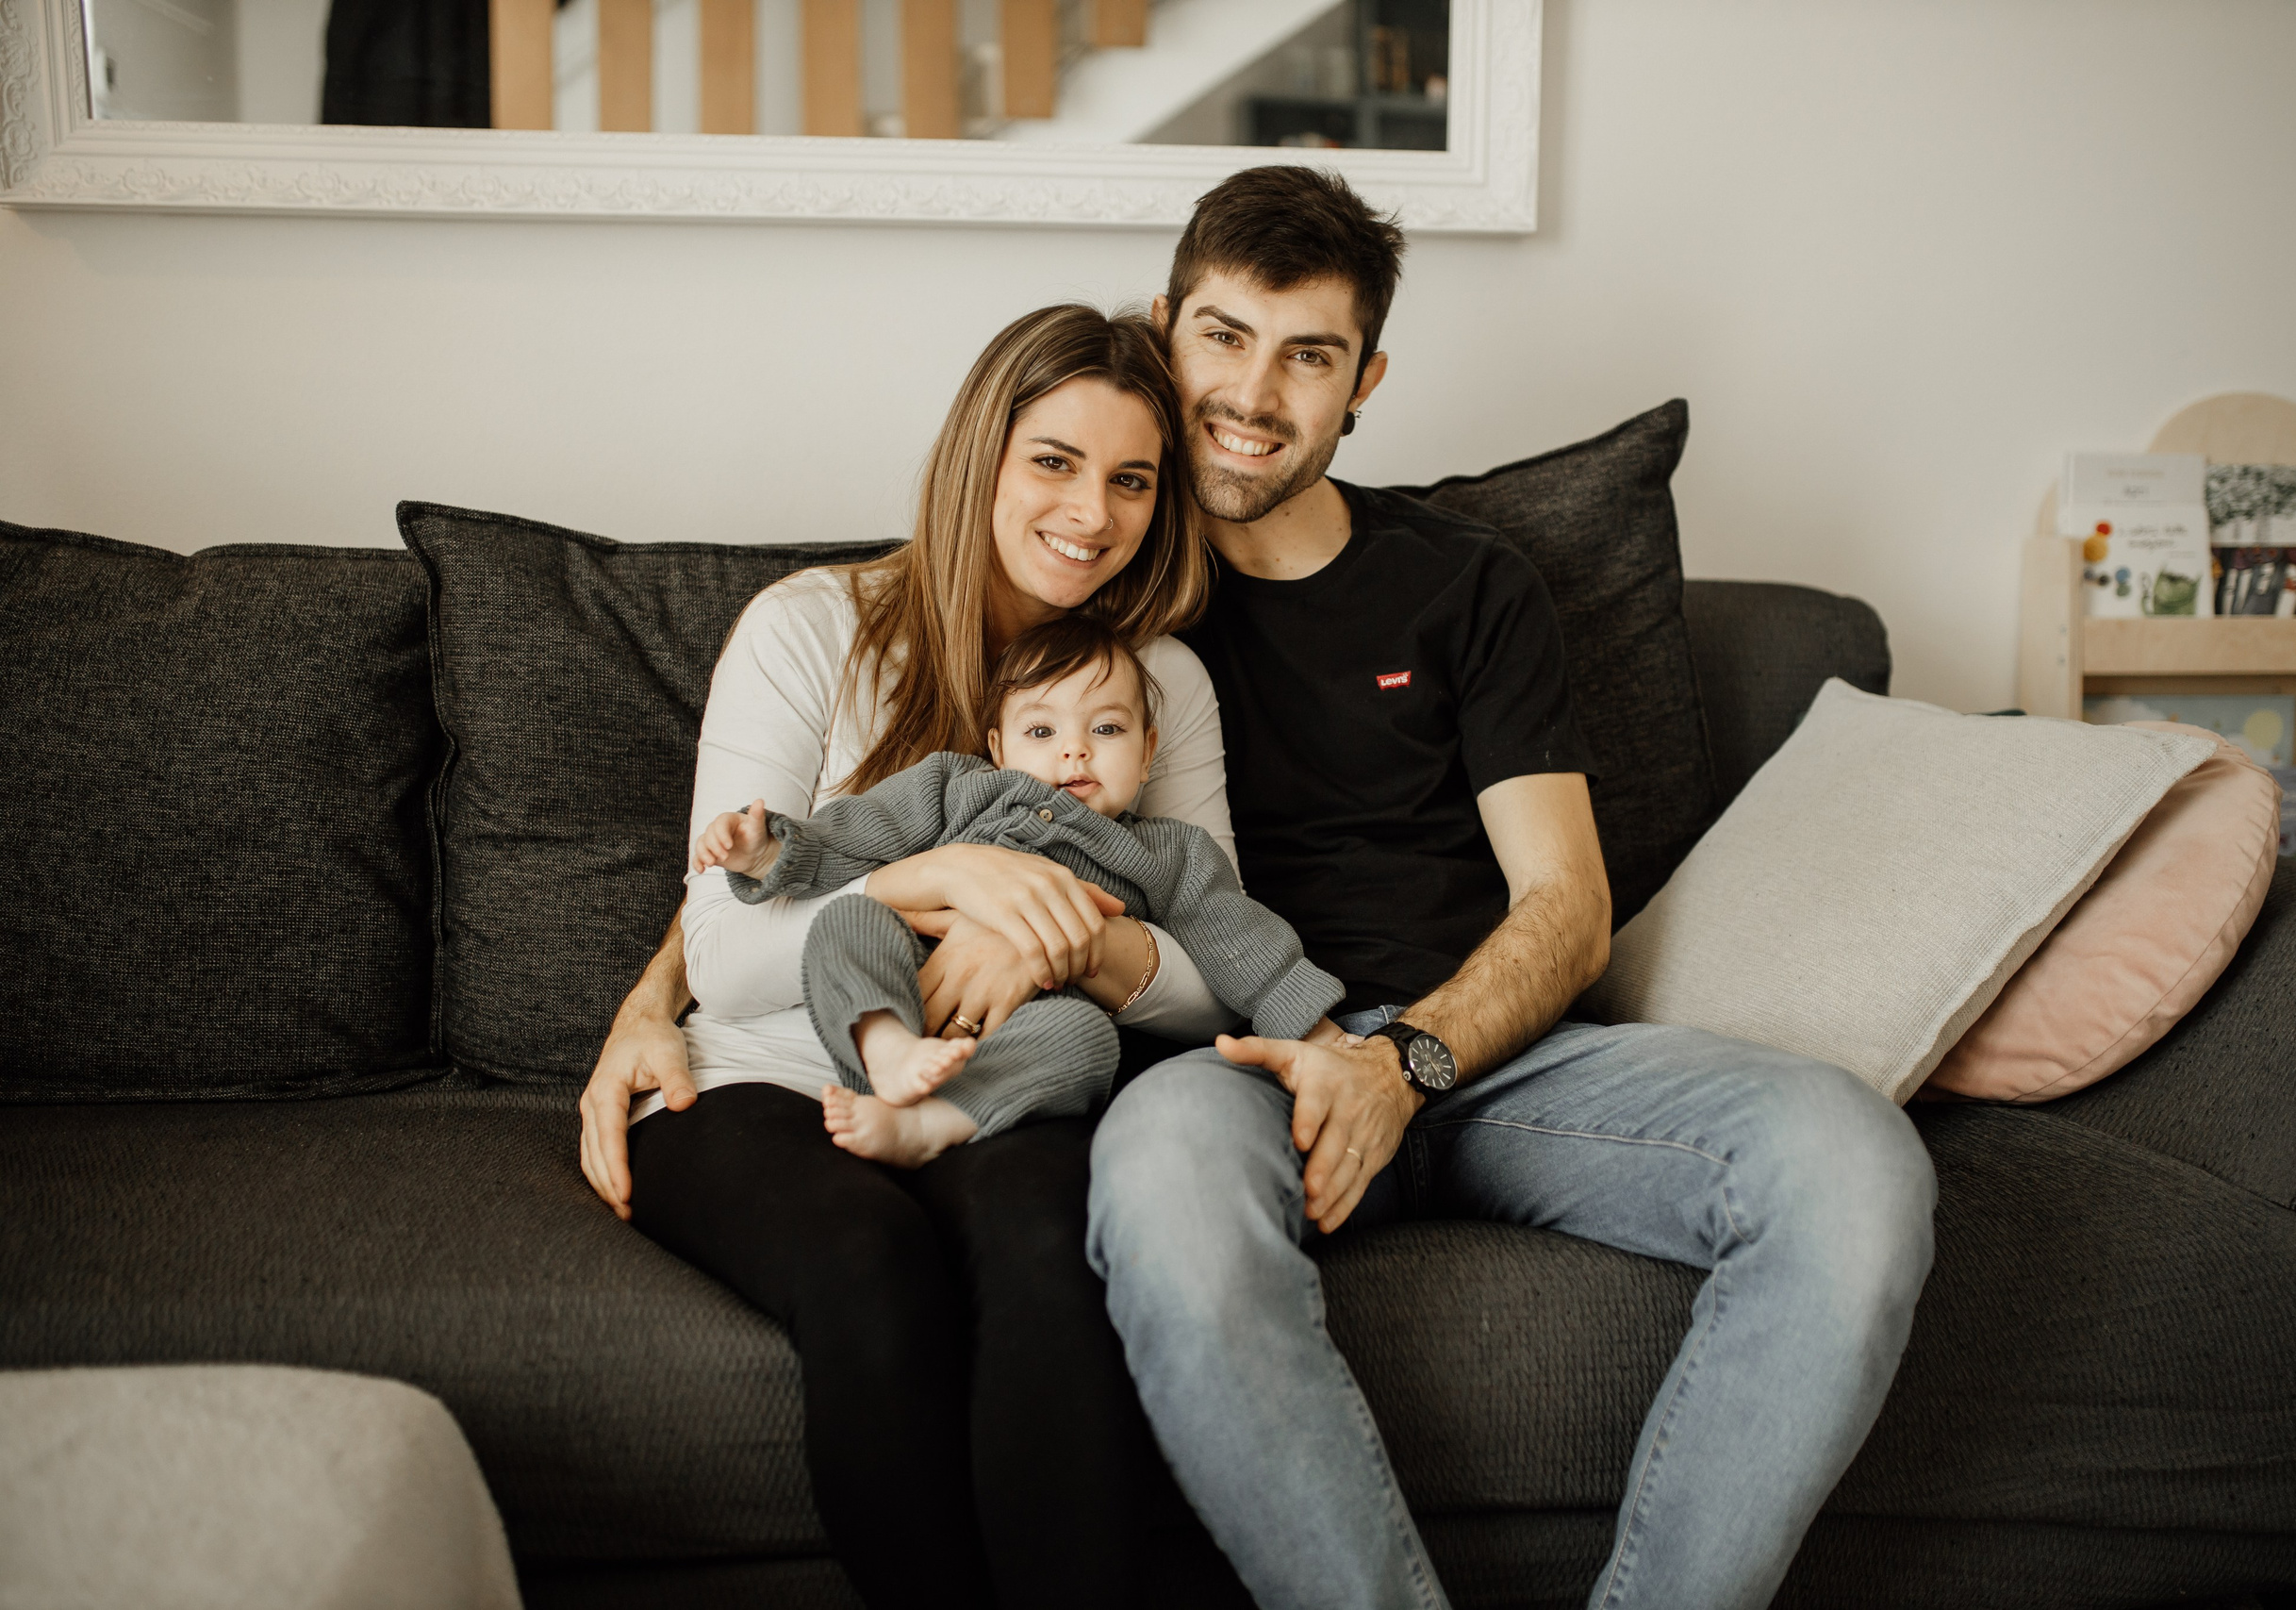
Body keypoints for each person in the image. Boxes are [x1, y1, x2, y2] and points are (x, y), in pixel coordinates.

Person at [1082, 166, 1940, 1610]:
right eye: (1224, 335)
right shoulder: (1085, 571)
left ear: (1366, 381)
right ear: (1163, 329)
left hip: (1489, 1060)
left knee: (1852, 1163)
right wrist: (662, 996)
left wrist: (1407, 1061)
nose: (1253, 389)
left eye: (1309, 354)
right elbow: (863, 774)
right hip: (1231, 1058)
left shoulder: (1467, 586)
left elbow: (1565, 904)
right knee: (1156, 1174)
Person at [578, 302, 1248, 1609]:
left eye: (1131, 478)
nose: (1092, 512)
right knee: (866, 1265)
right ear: (979, 457)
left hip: (1008, 1084)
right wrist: (929, 878)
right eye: (1053, 460)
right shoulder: (810, 629)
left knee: (1056, 1247)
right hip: (760, 1074)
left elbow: (1216, 973)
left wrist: (1083, 941)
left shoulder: (1158, 680)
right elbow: (720, 946)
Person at [688, 615, 1344, 1168]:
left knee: (1088, 1040)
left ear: (1148, 753)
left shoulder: (1169, 851)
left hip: (1028, 1021)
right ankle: (887, 1051)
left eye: (1106, 730)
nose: (1074, 754)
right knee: (848, 919)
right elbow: (854, 836)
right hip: (904, 978)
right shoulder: (957, 786)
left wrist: (1314, 1031)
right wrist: (768, 847)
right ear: (997, 749)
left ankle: (933, 1123)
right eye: (1042, 732)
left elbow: (1241, 940)